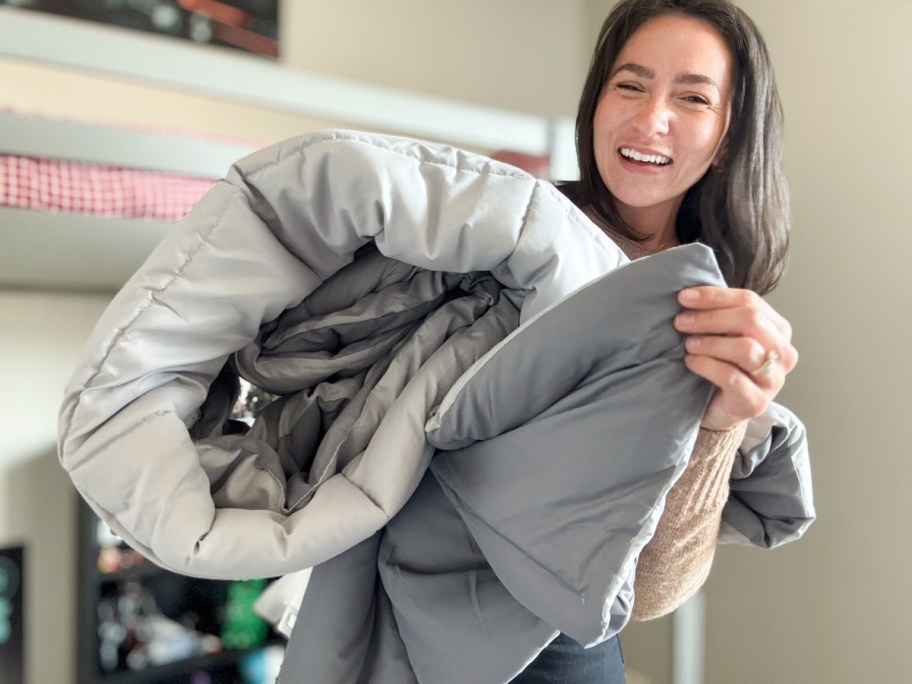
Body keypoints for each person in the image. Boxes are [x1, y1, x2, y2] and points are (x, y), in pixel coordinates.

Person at [512, 0, 799, 681]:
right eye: (630, 84)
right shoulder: (513, 230)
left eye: (693, 96)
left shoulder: (717, 309)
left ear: (729, 135)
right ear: (597, 101)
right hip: (399, 608)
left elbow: (650, 592)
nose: (650, 120)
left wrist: (722, 424)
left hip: (560, 650)